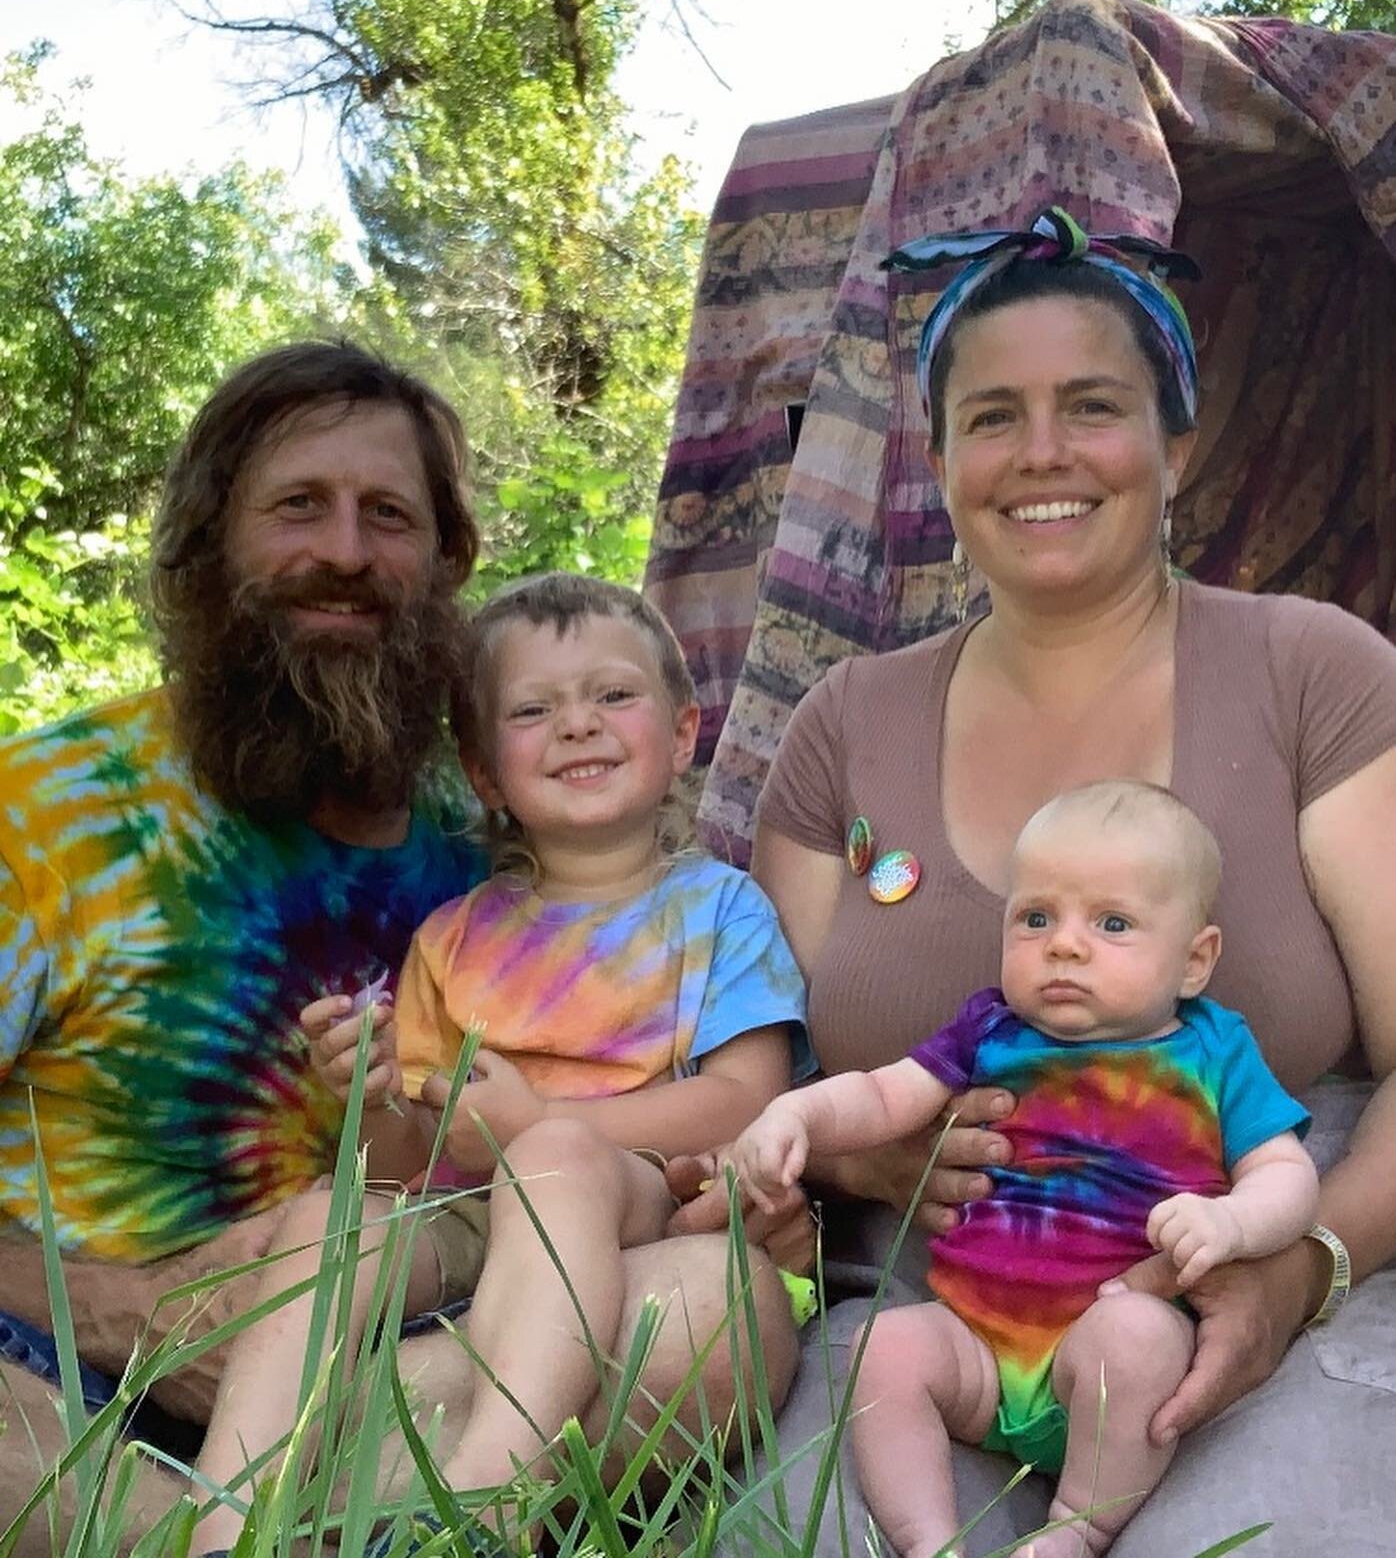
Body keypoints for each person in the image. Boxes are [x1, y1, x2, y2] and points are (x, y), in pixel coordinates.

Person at [0, 346, 804, 1555]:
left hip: (389, 1358)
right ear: (207, 544)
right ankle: (215, 1529)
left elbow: (577, 1118)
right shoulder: (50, 809)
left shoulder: (495, 840)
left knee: (717, 1312)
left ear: (443, 564)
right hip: (59, 1364)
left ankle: (265, 1527)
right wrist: (122, 1313)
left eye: (389, 515)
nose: (345, 551)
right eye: (296, 507)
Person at [740, 208, 1396, 1556]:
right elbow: (769, 1077)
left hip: (1252, 1274)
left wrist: (1297, 1266)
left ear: (1177, 445)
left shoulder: (1312, 673)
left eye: (1091, 406)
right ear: (939, 461)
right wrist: (849, 1149)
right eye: (993, 416)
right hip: (934, 1312)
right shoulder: (843, 726)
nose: (1041, 453)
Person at [189, 573, 807, 1555]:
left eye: (612, 694)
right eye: (533, 709)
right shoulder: (454, 938)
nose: (576, 725)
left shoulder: (721, 910)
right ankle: (225, 1512)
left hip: (627, 1204)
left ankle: (490, 1490)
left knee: (554, 1156)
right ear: (483, 772)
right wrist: (373, 1092)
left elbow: (747, 1098)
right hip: (468, 1214)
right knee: (326, 1213)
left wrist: (547, 1128)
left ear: (684, 730)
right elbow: (405, 1162)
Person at [733, 781, 1317, 1558]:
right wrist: (796, 1114)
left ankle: (1078, 1525)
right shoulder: (992, 1029)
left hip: (1101, 1350)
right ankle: (926, 1537)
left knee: (1139, 1338)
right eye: (1036, 917)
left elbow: (1286, 1169)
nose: (1064, 944)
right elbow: (884, 1092)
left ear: (1195, 959)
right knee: (885, 1350)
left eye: (1112, 922)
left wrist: (1232, 1222)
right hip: (977, 1340)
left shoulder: (1213, 1050)